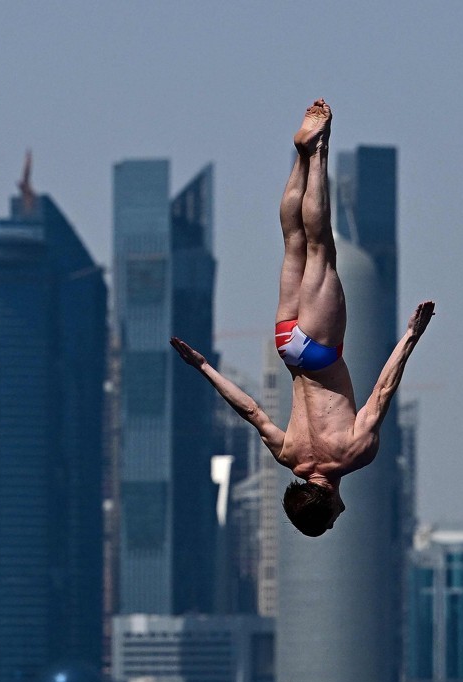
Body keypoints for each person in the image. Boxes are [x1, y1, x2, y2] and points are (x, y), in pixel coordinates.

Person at [170, 98, 434, 537]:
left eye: (330, 520)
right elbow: (250, 409)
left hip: (321, 350)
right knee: (292, 240)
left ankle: (320, 148)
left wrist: (410, 336)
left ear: (326, 503)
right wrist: (202, 367)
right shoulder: (287, 455)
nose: (339, 519)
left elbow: (384, 390)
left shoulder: (353, 454)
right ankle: (300, 154)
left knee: (319, 245)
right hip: (289, 348)